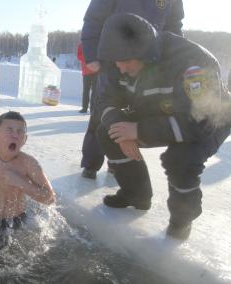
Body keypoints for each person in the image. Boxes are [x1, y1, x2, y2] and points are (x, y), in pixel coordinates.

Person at [95, 13, 230, 240]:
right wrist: (121, 127)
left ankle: (182, 219)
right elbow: (105, 101)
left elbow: (201, 123)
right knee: (109, 133)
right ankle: (136, 194)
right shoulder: (117, 62)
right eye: (116, 62)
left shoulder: (192, 61)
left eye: (126, 61)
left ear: (144, 52)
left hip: (209, 120)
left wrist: (139, 131)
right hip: (158, 112)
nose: (121, 68)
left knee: (181, 159)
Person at [79, 0, 185, 179]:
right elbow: (93, 19)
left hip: (149, 60)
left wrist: (174, 57)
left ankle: (117, 159)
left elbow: (174, 25)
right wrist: (92, 54)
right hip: (114, 58)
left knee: (134, 110)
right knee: (104, 109)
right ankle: (91, 162)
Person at [77, 42, 97, 114]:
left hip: (96, 71)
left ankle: (92, 109)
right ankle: (84, 108)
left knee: (95, 91)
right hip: (86, 72)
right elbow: (79, 56)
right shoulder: (81, 44)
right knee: (86, 90)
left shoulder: (95, 42)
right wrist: (87, 59)